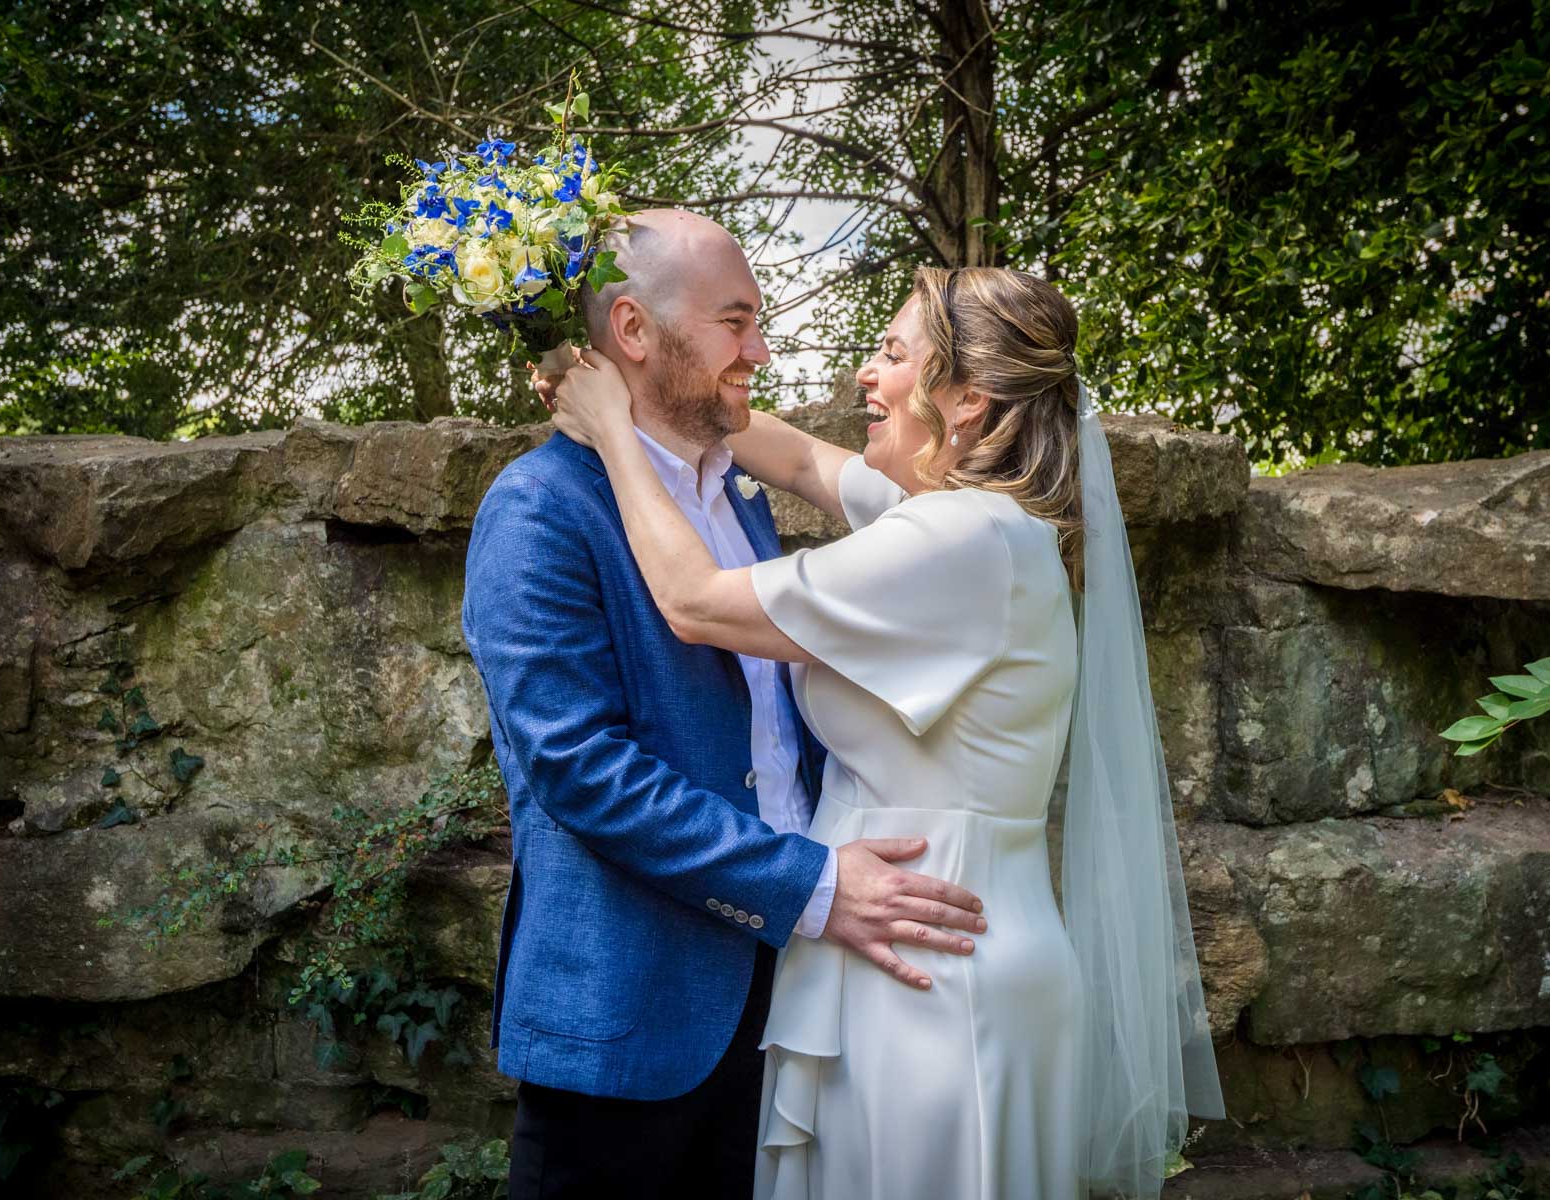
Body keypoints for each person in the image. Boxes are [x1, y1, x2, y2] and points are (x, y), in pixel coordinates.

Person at [550, 259, 1228, 1199]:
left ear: (967, 403)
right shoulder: (974, 522)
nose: (864, 376)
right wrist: (673, 382)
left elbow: (696, 601)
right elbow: (796, 460)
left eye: (893, 354)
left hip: (935, 983)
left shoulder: (953, 544)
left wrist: (616, 435)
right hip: (927, 952)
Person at [460, 209, 990, 1200]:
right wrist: (815, 883)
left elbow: (772, 741)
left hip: (783, 999)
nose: (761, 348)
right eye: (736, 322)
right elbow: (582, 771)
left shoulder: (738, 496)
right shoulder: (540, 508)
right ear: (632, 331)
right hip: (631, 1014)